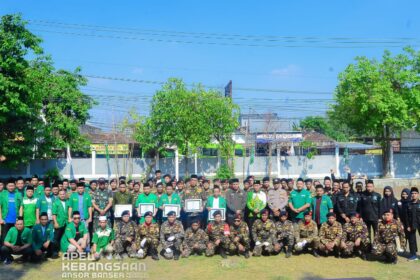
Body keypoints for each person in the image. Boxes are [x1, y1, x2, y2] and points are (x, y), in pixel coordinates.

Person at [0, 179, 23, 245]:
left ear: (15, 186)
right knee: (4, 237)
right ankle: (3, 252)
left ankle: (14, 252)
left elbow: (21, 206)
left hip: (16, 221)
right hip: (5, 220)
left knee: (15, 237)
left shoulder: (18, 194)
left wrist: (20, 218)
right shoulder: (2, 194)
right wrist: (1, 219)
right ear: (6, 186)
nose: (11, 187)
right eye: (9, 186)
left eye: (12, 185)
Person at [406, 187, 420, 261]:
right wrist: (408, 225)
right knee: (412, 240)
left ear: (418, 194)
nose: (414, 195)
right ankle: (413, 255)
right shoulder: (408, 204)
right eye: (412, 193)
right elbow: (406, 216)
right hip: (411, 225)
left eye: (415, 193)